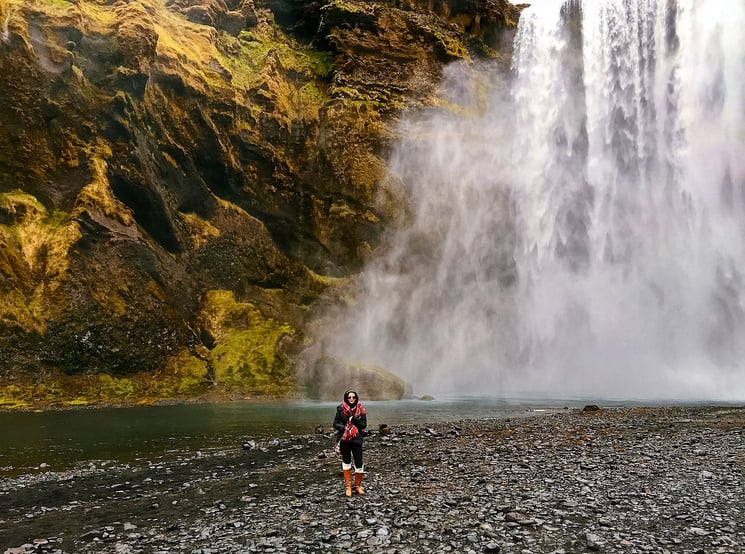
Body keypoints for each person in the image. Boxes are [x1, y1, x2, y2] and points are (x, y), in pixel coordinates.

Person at [333, 389, 367, 496]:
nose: (351, 399)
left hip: (357, 439)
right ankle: (348, 486)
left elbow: (363, 425)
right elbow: (335, 423)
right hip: (344, 439)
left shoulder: (361, 410)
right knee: (346, 462)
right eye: (349, 397)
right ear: (346, 398)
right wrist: (343, 428)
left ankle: (357, 486)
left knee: (359, 462)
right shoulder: (340, 409)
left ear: (356, 398)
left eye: (354, 397)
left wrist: (354, 420)